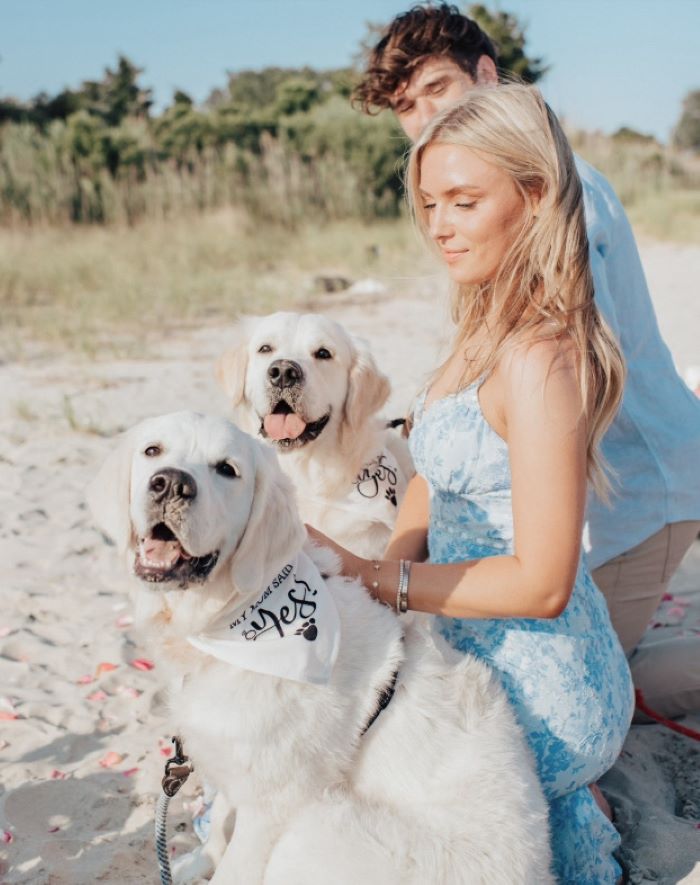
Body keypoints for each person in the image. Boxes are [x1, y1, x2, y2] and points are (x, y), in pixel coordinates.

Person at [308, 83, 634, 883]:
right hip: (455, 631)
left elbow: (545, 581)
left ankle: (569, 803)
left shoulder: (541, 357)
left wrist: (378, 578)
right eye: (429, 203)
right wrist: (384, 575)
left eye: (464, 200)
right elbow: (434, 480)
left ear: (534, 195)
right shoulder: (482, 321)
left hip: (544, 684)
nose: (441, 227)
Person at [352, 2, 700, 719]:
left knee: (591, 680)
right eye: (405, 107)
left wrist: (394, 578)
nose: (422, 120)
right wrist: (392, 565)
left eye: (438, 91)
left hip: (637, 491)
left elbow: (560, 385)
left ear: (489, 74)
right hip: (583, 493)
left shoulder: (561, 215)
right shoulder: (484, 250)